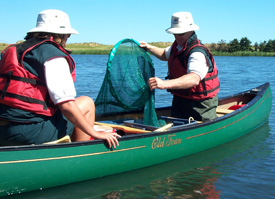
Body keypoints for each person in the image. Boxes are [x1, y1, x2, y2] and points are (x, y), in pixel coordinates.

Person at [0, 9, 120, 147]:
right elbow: (66, 104)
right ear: (61, 35)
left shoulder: (15, 51)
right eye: (67, 35)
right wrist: (94, 132)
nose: (67, 38)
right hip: (26, 132)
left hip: (3, 129)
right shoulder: (53, 55)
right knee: (86, 103)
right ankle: (79, 157)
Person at [140, 12, 220, 122]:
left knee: (201, 128)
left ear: (191, 30)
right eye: (175, 33)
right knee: (176, 125)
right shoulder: (177, 47)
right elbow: (165, 54)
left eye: (180, 33)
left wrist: (164, 84)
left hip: (201, 105)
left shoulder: (197, 53)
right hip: (180, 99)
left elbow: (194, 79)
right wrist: (149, 48)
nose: (177, 37)